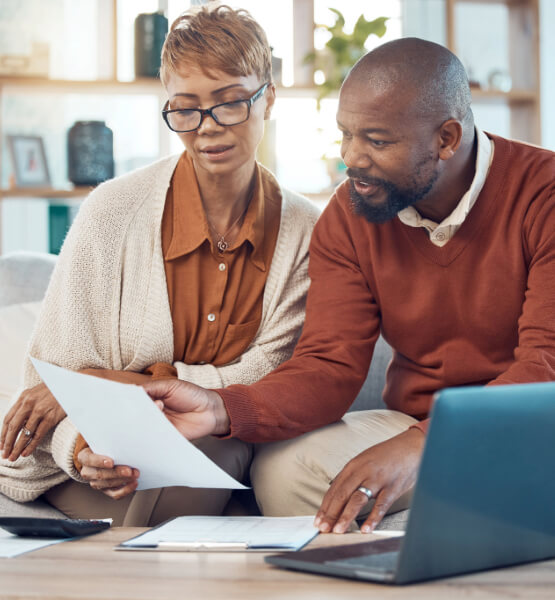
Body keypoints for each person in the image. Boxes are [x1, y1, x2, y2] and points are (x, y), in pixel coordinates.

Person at [138, 37, 555, 533]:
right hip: (418, 428)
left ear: (446, 139)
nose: (352, 159)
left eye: (377, 141)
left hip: (533, 425)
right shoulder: (352, 212)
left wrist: (427, 446)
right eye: (345, 135)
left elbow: (544, 365)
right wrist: (220, 409)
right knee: (283, 474)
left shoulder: (543, 195)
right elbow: (329, 364)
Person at [0, 4, 319, 526]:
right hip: (102, 456)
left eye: (230, 102)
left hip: (225, 446)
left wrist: (111, 381)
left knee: (214, 451)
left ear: (270, 98)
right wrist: (85, 447)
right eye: (185, 108)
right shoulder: (111, 211)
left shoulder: (306, 231)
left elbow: (266, 380)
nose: (207, 128)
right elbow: (54, 383)